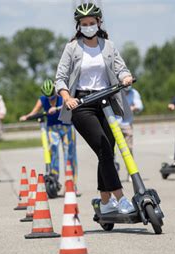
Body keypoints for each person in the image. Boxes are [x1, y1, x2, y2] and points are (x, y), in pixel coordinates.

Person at [55, 3, 135, 214]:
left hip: (106, 102)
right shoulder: (71, 48)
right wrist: (67, 97)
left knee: (108, 151)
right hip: (82, 105)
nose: (88, 26)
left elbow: (121, 68)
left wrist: (125, 77)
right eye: (84, 24)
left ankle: (105, 202)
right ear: (78, 26)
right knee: (103, 148)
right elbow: (60, 78)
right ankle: (121, 198)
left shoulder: (108, 45)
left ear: (99, 22)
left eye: (91, 23)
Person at [19, 79, 78, 188]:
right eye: (48, 96)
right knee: (53, 153)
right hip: (52, 129)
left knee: (69, 155)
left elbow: (70, 103)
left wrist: (57, 108)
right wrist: (27, 117)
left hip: (67, 127)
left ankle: (71, 184)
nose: (50, 98)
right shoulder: (42, 99)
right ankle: (54, 181)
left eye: (52, 95)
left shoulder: (62, 96)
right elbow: (34, 111)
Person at [118, 86, 143, 155]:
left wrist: (133, 108)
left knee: (129, 148)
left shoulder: (134, 92)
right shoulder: (117, 91)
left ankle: (130, 165)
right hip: (114, 121)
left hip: (127, 123)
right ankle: (113, 164)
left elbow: (139, 106)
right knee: (110, 147)